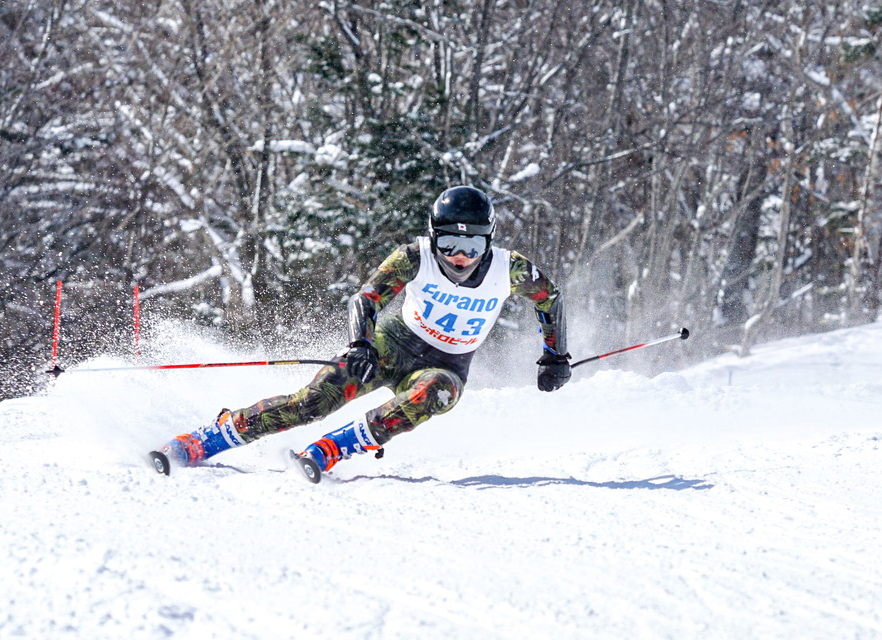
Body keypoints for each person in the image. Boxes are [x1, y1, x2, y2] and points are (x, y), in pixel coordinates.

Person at [149, 185, 570, 482]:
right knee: (312, 403)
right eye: (449, 246)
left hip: (447, 364)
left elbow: (550, 300)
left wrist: (555, 355)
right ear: (433, 236)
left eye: (473, 248)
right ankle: (207, 438)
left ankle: (333, 449)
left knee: (434, 395)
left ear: (489, 242)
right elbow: (365, 299)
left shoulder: (510, 268)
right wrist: (361, 344)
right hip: (389, 346)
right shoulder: (413, 257)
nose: (460, 258)